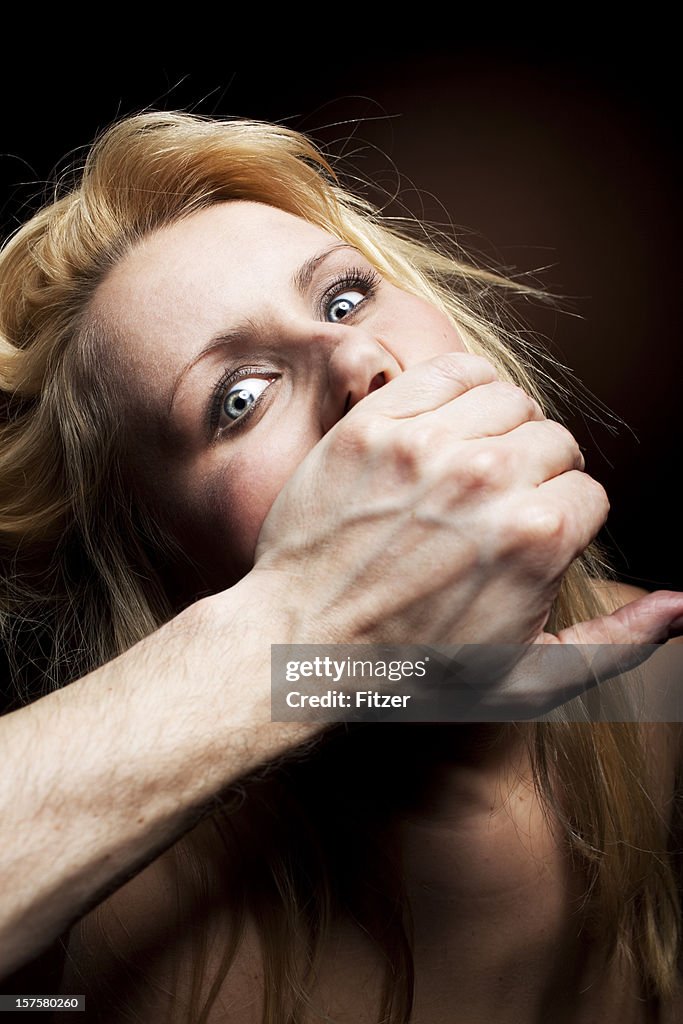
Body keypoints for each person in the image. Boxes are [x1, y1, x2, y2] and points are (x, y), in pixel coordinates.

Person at [1, 111, 682, 1022]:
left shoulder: (664, 686)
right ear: (170, 577)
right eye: (238, 399)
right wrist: (303, 633)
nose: (359, 358)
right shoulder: (104, 948)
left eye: (345, 298)